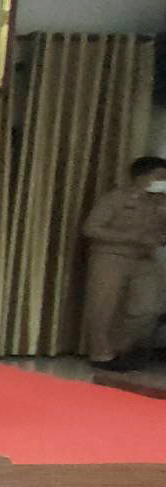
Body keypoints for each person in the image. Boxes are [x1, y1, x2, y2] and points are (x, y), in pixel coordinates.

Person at [82, 155, 166, 370]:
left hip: (144, 259)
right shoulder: (115, 199)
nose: (163, 181)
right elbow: (91, 228)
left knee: (148, 308)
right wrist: (131, 237)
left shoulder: (161, 203)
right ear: (141, 177)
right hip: (111, 257)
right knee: (104, 306)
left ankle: (119, 347)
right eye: (160, 176)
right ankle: (101, 354)